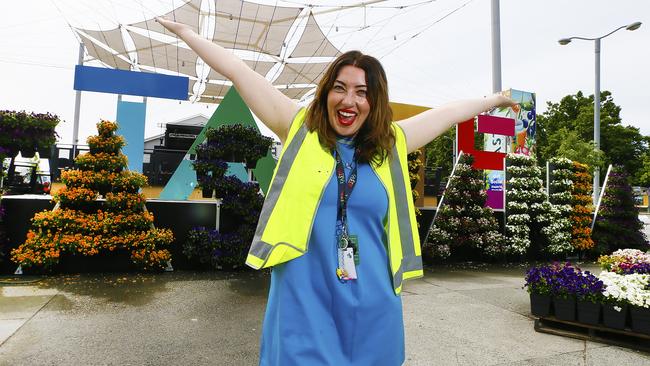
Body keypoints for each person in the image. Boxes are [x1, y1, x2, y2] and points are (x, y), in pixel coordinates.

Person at [157, 16, 515, 366]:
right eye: (340, 88)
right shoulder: (297, 126)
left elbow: (449, 113)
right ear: (326, 92)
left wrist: (494, 98)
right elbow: (239, 71)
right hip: (304, 303)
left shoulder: (390, 144)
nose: (349, 101)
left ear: (374, 102)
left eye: (362, 92)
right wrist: (189, 33)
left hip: (372, 304)